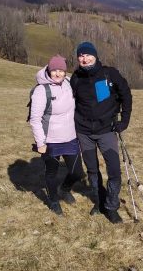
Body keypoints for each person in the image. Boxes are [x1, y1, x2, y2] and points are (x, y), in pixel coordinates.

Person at [70, 41, 132, 224]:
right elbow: (69, 103)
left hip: (107, 130)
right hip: (84, 132)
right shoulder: (76, 78)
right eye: (81, 56)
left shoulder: (109, 74)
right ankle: (99, 202)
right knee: (92, 170)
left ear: (95, 56)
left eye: (88, 55)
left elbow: (126, 95)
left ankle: (111, 207)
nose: (85, 59)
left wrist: (124, 121)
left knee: (114, 170)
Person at [29, 55, 84, 215]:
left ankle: (64, 189)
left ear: (65, 71)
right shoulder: (41, 90)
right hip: (50, 141)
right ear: (49, 70)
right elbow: (35, 119)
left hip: (70, 137)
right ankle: (53, 200)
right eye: (54, 70)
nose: (58, 73)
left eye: (61, 70)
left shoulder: (68, 83)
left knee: (77, 172)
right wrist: (40, 143)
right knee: (51, 173)